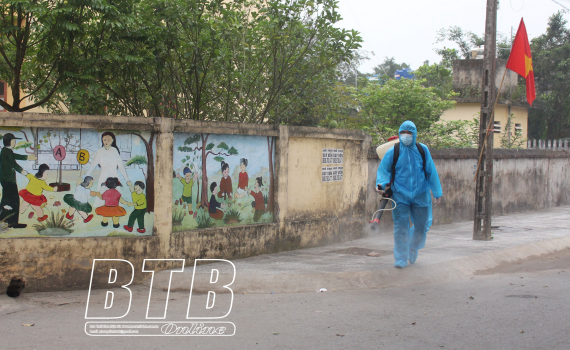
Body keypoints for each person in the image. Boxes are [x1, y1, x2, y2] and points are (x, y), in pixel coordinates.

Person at [376, 120, 442, 268]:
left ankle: (413, 246)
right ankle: (401, 258)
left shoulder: (422, 150)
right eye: (403, 133)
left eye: (409, 133)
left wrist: (437, 192)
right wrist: (380, 185)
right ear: (399, 134)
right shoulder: (394, 151)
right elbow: (384, 170)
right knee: (401, 227)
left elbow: (431, 172)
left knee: (423, 224)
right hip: (400, 195)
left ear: (415, 134)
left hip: (421, 194)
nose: (406, 135)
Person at [84, 132, 132, 208]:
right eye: (104, 140)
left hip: (114, 176)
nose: (106, 142)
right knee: (102, 195)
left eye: (108, 140)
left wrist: (127, 179)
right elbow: (93, 164)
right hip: (103, 176)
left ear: (113, 140)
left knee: (116, 194)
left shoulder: (114, 151)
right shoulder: (100, 151)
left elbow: (121, 166)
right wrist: (86, 176)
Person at [0, 133, 37, 228]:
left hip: (5, 180)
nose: (15, 142)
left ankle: (4, 220)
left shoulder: (6, 151)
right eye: (14, 140)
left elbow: (14, 156)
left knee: (6, 201)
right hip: (9, 180)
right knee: (15, 201)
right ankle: (13, 223)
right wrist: (23, 172)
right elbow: (14, 164)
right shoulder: (7, 152)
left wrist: (26, 157)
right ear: (10, 141)